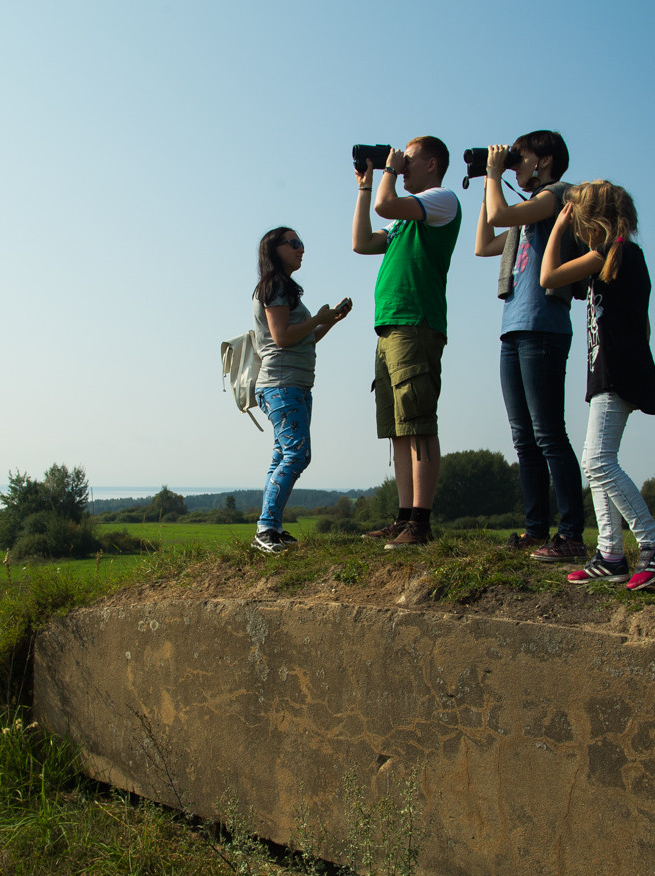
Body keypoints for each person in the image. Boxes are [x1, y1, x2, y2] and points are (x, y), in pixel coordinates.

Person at [538, 181, 655, 591]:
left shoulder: (613, 253)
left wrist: (557, 227)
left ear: (589, 220)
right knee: (597, 462)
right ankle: (610, 555)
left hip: (617, 370)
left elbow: (548, 276)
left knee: (598, 462)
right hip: (611, 369)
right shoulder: (614, 257)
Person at [474, 130, 586, 563]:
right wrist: (490, 179)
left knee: (548, 433)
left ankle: (571, 533)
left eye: (520, 157)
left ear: (545, 160)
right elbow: (484, 244)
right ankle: (536, 529)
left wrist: (493, 176)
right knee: (524, 438)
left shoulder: (558, 196)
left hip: (544, 325)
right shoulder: (524, 217)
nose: (514, 164)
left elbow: (501, 214)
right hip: (514, 327)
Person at [352, 136, 461, 548]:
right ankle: (403, 518)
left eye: (409, 158)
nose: (402, 164)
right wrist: (366, 185)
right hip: (391, 326)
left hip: (417, 322)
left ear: (432, 163)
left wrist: (388, 172)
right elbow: (362, 242)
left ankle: (421, 522)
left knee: (418, 422)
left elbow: (386, 204)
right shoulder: (404, 220)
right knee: (398, 429)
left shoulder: (442, 199)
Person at [250, 226, 352, 554]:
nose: (301, 249)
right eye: (293, 243)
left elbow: (303, 338)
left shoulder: (281, 287)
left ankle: (273, 528)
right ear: (274, 249)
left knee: (283, 455)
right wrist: (318, 317)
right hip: (282, 385)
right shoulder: (275, 286)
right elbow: (282, 337)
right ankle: (266, 527)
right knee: (297, 454)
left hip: (291, 386)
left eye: (301, 243)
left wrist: (330, 320)